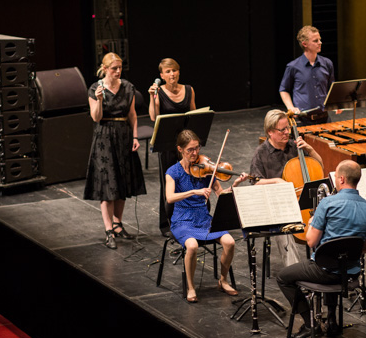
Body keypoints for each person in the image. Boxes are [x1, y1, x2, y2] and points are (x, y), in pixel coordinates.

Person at [276, 160, 366, 338]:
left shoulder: (328, 203)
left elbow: (311, 241)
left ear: (342, 179)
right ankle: (331, 319)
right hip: (351, 273)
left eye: (336, 176)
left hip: (325, 272)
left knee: (283, 277)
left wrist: (311, 222)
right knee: (335, 262)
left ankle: (310, 324)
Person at [165, 129, 247, 303]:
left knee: (230, 242)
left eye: (197, 148)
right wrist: (194, 191)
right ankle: (191, 287)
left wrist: (236, 184)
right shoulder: (173, 172)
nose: (195, 153)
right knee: (192, 246)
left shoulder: (205, 170)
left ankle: (223, 280)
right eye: (190, 150)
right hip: (182, 220)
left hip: (203, 219)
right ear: (180, 149)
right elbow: (170, 197)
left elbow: (222, 194)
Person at [85, 52, 145, 250]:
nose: (118, 71)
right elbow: (96, 117)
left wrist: (135, 137)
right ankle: (108, 229)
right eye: (114, 68)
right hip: (104, 138)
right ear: (105, 69)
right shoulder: (95, 88)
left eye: (120, 68)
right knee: (108, 185)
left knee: (122, 183)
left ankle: (118, 224)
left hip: (124, 136)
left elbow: (132, 114)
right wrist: (99, 100)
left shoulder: (128, 87)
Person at [249, 109, 324, 268]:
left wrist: (310, 150)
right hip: (277, 205)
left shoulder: (295, 146)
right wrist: (276, 181)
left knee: (326, 218)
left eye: (288, 128)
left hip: (299, 201)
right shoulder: (261, 153)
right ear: (270, 132)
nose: (287, 132)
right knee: (285, 229)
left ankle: (325, 266)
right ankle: (294, 272)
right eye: (282, 130)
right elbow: (255, 182)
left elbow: (319, 166)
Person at [148, 58, 198, 236]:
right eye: (168, 71)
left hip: (186, 145)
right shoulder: (159, 92)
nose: (172, 74)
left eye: (174, 70)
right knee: (169, 182)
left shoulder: (189, 90)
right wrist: (152, 97)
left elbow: (194, 115)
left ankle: (191, 218)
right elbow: (153, 117)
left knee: (190, 179)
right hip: (167, 144)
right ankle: (167, 223)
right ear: (162, 75)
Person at [279, 25, 335, 125]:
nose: (320, 43)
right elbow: (284, 89)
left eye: (320, 39)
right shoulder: (293, 67)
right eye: (316, 41)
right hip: (303, 120)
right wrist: (291, 107)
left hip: (325, 118)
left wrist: (336, 104)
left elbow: (332, 88)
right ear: (305, 44)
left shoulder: (327, 63)